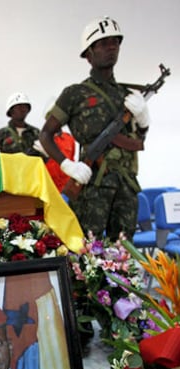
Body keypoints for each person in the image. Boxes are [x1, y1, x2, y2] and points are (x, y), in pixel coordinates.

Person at [40, 16, 150, 240]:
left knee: (123, 253)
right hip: (93, 185)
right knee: (88, 252)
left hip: (126, 184)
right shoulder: (75, 94)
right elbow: (45, 135)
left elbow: (137, 141)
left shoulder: (126, 94)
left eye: (115, 42)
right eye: (103, 43)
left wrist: (144, 120)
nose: (111, 47)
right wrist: (67, 165)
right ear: (88, 54)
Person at [0, 92, 43, 157]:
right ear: (11, 111)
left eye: (25, 106)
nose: (22, 109)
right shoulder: (1, 134)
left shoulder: (36, 133)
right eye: (18, 107)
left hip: (32, 167)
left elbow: (46, 158)